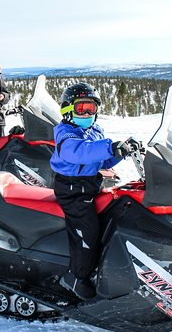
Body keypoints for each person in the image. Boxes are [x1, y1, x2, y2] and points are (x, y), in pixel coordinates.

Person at [49, 82, 137, 300]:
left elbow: (102, 159)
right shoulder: (65, 133)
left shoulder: (94, 130)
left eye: (92, 108)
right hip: (72, 191)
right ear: (68, 109)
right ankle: (76, 277)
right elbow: (77, 153)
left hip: (91, 184)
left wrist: (121, 151)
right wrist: (109, 146)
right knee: (87, 230)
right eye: (81, 108)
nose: (87, 113)